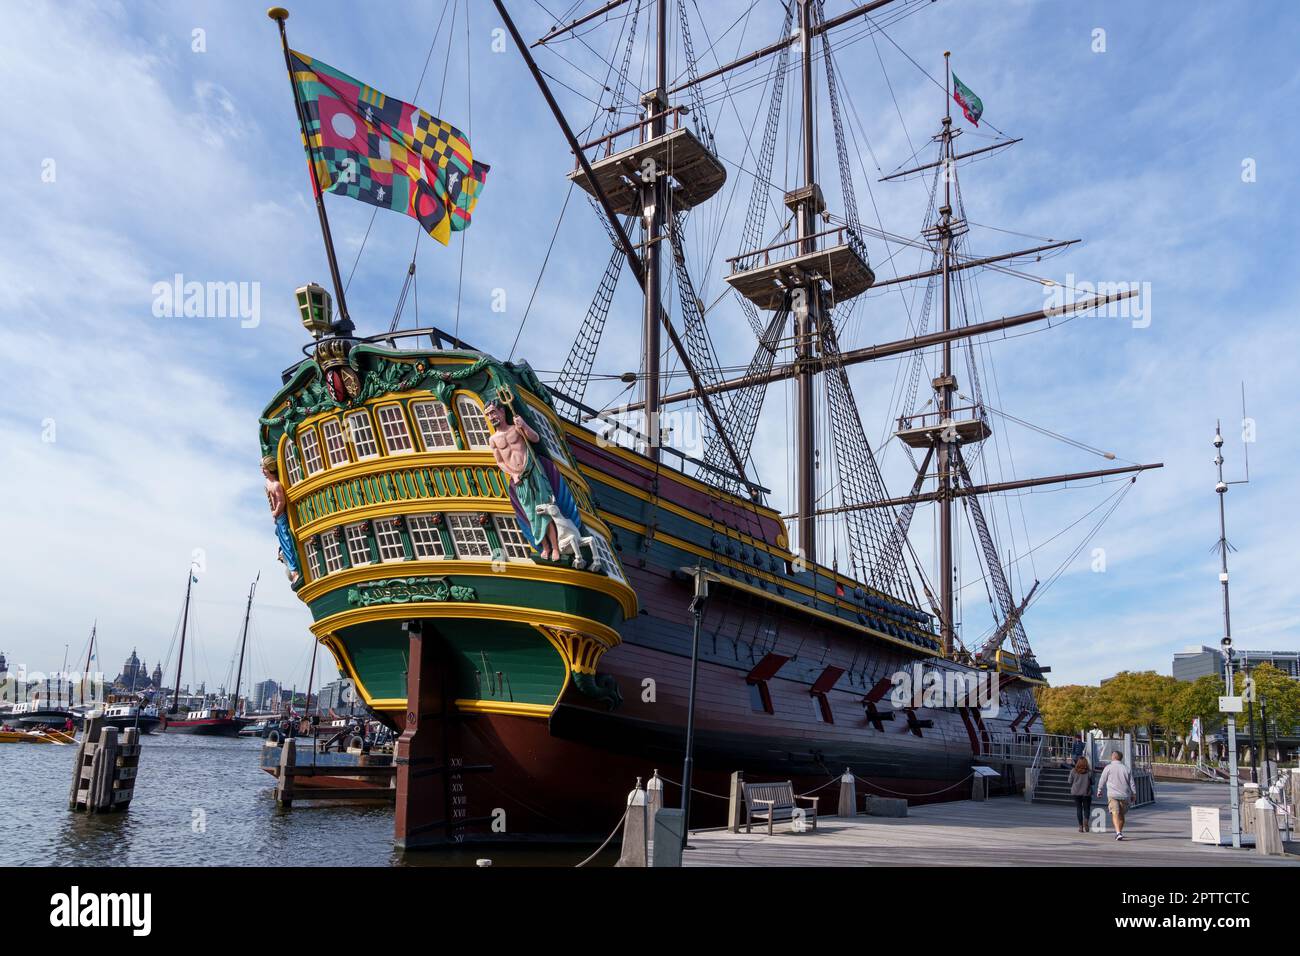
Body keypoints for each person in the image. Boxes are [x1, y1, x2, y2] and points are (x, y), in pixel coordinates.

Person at [1096, 750, 1137, 840]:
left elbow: (1102, 779)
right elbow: (1132, 783)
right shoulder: (1126, 768)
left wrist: (1099, 790)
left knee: (1115, 813)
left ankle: (1118, 832)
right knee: (1121, 815)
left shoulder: (1108, 767)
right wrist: (1134, 793)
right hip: (1124, 795)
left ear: (1114, 757)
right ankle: (1119, 832)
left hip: (1112, 794)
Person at [1069, 756, 1092, 832]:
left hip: (1076, 792)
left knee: (1079, 808)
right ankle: (1086, 821)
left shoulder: (1073, 771)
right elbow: (1093, 782)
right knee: (1087, 808)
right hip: (1086, 792)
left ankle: (1080, 826)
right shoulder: (1089, 772)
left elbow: (1069, 781)